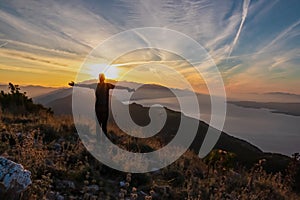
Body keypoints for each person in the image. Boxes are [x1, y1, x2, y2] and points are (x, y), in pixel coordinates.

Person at [69, 73, 134, 137]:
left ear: (99, 79)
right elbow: (118, 87)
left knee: (98, 125)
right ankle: (104, 141)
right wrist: (127, 88)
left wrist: (75, 84)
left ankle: (99, 140)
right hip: (105, 109)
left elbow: (85, 85)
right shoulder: (107, 85)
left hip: (98, 108)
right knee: (104, 126)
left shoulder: (96, 85)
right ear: (104, 79)